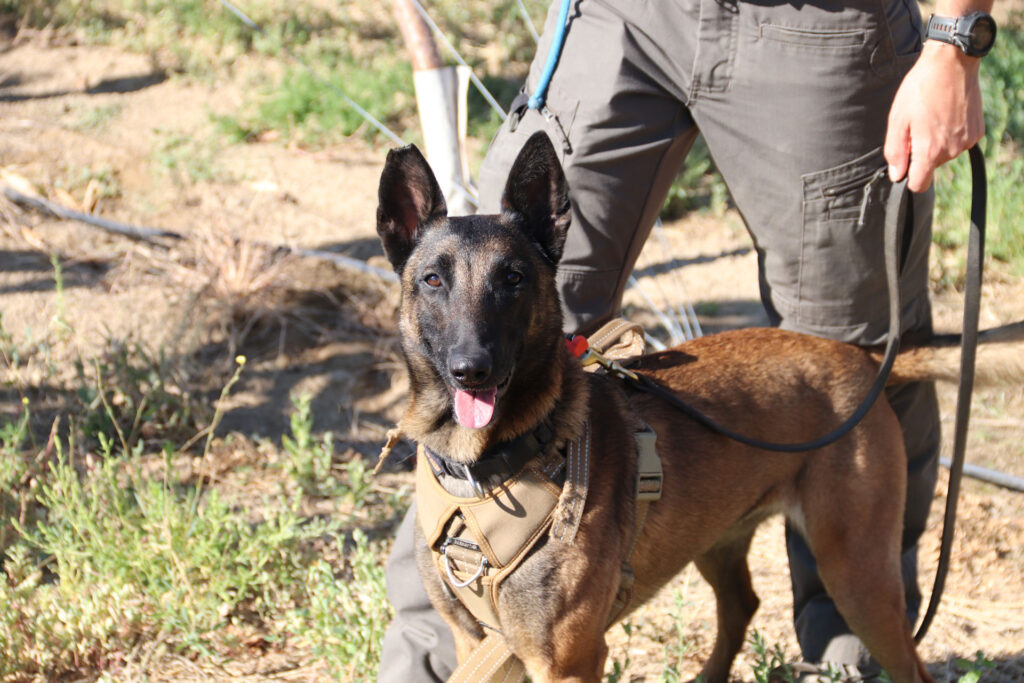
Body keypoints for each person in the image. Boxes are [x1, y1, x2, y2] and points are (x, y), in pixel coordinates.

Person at [378, 0, 992, 679]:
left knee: (846, 365)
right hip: (622, 16)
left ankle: (850, 648)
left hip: (823, 29)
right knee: (485, 259)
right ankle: (436, 657)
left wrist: (954, 43)